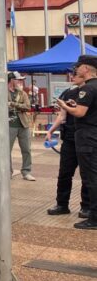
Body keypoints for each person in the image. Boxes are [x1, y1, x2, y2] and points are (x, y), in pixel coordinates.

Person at [57, 55, 97, 229]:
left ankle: (93, 218)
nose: (76, 70)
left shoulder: (88, 88)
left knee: (90, 178)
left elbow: (80, 113)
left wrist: (65, 106)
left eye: (78, 67)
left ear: (86, 68)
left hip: (87, 136)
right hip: (93, 134)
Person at [45, 70, 91, 217]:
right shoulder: (67, 92)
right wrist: (51, 130)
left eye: (75, 74)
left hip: (86, 138)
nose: (72, 77)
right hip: (69, 139)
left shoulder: (90, 91)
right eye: (71, 74)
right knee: (64, 173)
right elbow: (62, 115)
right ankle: (62, 204)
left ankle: (87, 206)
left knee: (87, 175)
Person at [7, 71, 35, 181]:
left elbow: (28, 107)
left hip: (23, 124)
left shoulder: (22, 93)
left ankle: (26, 171)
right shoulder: (2, 92)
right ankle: (8, 172)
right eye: (17, 79)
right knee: (6, 150)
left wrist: (13, 104)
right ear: (11, 80)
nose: (19, 81)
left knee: (26, 149)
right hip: (8, 124)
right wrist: (20, 106)